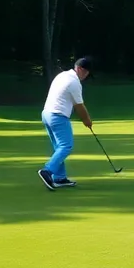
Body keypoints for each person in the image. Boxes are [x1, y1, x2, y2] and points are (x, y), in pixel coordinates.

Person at [39, 56, 94, 190]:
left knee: (59, 147)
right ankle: (47, 171)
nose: (86, 75)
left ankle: (59, 178)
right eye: (86, 72)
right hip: (58, 116)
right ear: (79, 69)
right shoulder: (74, 82)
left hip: (47, 114)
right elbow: (79, 106)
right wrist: (87, 120)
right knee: (66, 146)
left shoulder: (62, 75)